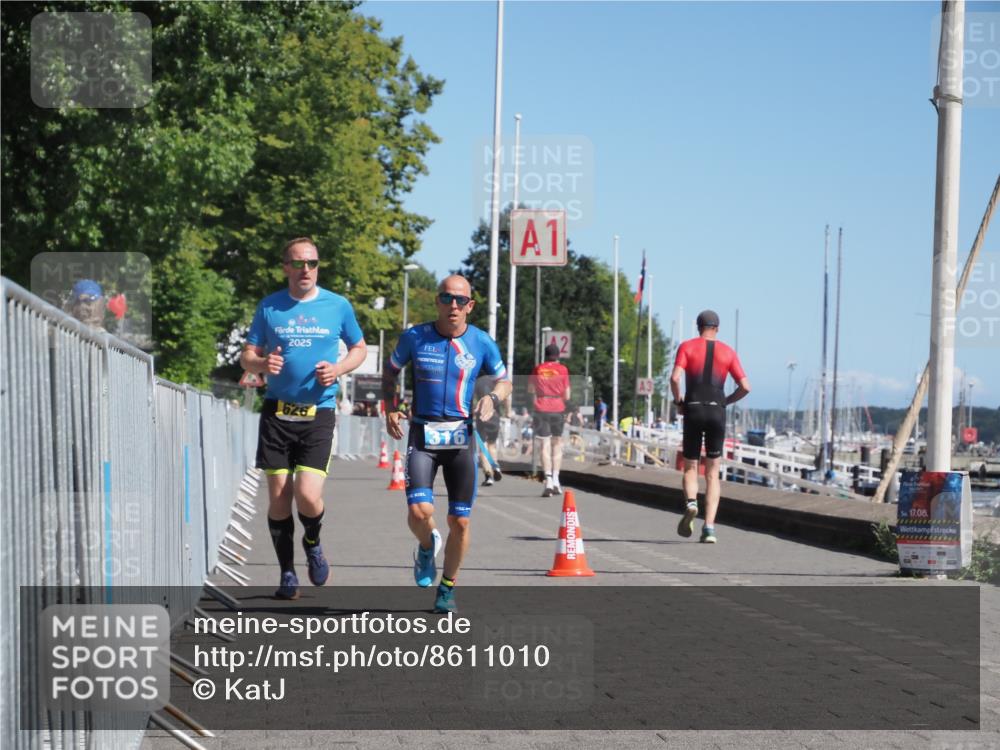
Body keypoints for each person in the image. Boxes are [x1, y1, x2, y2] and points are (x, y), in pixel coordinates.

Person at [241, 237, 368, 599]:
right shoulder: (270, 308)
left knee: (308, 495)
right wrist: (262, 363)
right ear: (286, 268)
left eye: (312, 263)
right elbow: (246, 355)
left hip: (318, 413)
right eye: (298, 263)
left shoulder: (337, 305)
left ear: (317, 267)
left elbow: (358, 347)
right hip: (278, 414)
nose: (306, 270)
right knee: (280, 498)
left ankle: (312, 541)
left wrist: (339, 368)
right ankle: (286, 573)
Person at [383, 274, 511, 614]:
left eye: (460, 300)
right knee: (418, 511)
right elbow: (390, 372)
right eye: (446, 298)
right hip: (423, 434)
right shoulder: (415, 337)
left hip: (459, 439)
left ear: (470, 305)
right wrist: (391, 408)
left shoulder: (481, 342)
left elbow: (504, 381)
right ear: (437, 301)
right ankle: (427, 546)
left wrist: (493, 399)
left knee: (461, 521)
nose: (452, 305)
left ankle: (447, 587)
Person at [669, 309, 750, 544]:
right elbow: (746, 386)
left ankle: (692, 503)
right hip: (717, 410)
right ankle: (710, 528)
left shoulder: (687, 346)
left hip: (693, 407)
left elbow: (675, 378)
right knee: (713, 473)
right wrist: (726, 401)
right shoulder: (728, 352)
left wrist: (679, 402)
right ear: (717, 328)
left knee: (691, 467)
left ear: (698, 326)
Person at [529, 343, 571, 497]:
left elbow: (530, 389)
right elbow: (567, 396)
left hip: (541, 407)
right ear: (558, 356)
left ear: (545, 355)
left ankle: (547, 480)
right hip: (558, 408)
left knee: (544, 444)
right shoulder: (563, 370)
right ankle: (556, 479)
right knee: (557, 444)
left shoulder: (538, 368)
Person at [474, 375, 502, 486]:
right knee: (492, 445)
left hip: (482, 416)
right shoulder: (497, 381)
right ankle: (496, 466)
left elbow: (472, 400)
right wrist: (507, 411)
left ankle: (488, 475)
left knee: (483, 446)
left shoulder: (476, 382)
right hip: (495, 415)